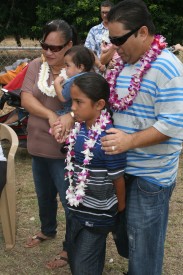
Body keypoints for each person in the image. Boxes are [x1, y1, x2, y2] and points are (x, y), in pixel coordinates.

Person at [100, 1, 183, 275]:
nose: (114, 46)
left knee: (144, 250)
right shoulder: (121, 64)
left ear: (143, 32)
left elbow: (174, 123)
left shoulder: (167, 67)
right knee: (126, 239)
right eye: (110, 39)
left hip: (151, 176)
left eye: (119, 39)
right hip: (120, 171)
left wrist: (129, 141)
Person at [21, 19, 77, 270]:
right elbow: (26, 99)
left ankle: (70, 247)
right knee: (44, 195)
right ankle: (47, 230)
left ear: (69, 46)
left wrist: (70, 115)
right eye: (45, 46)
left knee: (69, 202)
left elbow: (88, 104)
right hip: (37, 145)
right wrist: (52, 115)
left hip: (63, 150)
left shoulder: (78, 70)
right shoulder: (36, 66)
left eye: (56, 48)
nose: (49, 52)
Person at [63, 72, 126, 275]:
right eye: (72, 101)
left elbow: (118, 179)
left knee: (84, 266)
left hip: (98, 215)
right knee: (76, 256)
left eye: (78, 102)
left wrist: (119, 210)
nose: (72, 108)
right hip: (77, 208)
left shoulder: (108, 139)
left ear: (99, 104)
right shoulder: (79, 129)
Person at [54, 45, 95, 116]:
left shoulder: (73, 82)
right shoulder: (92, 77)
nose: (65, 68)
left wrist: (56, 83)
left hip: (71, 114)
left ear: (80, 67)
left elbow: (63, 97)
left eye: (67, 65)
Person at [84, 0, 115, 70]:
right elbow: (88, 50)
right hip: (100, 72)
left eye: (107, 12)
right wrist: (100, 65)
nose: (104, 15)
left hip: (117, 69)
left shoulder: (119, 29)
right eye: (102, 12)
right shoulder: (94, 30)